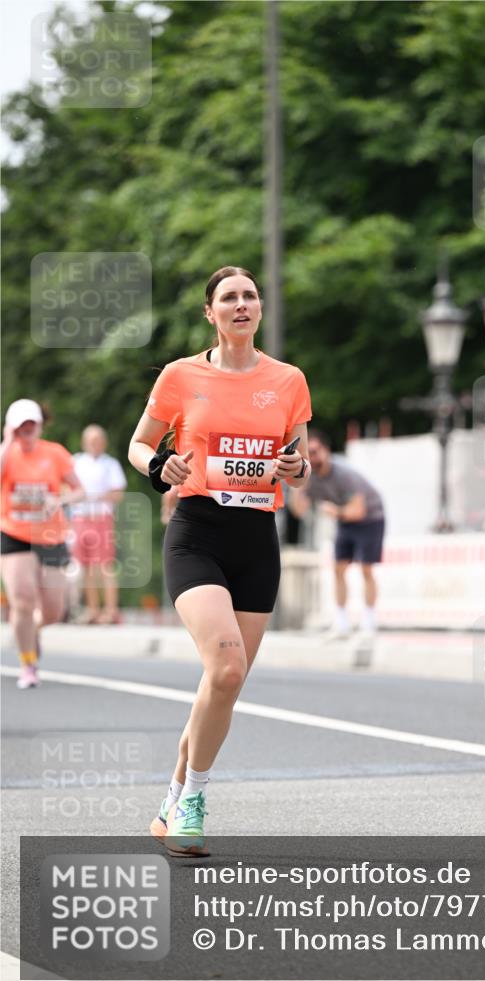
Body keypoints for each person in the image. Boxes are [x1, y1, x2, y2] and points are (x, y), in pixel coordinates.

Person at [128, 265, 312, 856]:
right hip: (198, 533)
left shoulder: (288, 381)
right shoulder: (182, 376)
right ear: (211, 312)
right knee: (227, 669)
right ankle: (196, 800)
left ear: (260, 310)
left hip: (257, 538)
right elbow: (139, 443)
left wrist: (296, 469)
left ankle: (171, 798)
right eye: (229, 297)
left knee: (221, 684)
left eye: (250, 296)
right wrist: (160, 467)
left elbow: (301, 462)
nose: (241, 304)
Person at [0, 399, 83, 688]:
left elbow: (79, 491)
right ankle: (28, 664)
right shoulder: (6, 455)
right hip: (14, 532)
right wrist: (6, 443)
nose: (27, 430)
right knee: (22, 599)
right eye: (20, 426)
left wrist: (58, 500)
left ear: (39, 425)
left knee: (52, 611)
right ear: (11, 427)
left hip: (51, 535)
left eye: (31, 424)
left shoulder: (55, 453)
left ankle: (32, 628)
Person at [290, 428, 385, 637]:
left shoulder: (344, 475)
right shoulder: (310, 478)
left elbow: (359, 510)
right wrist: (296, 484)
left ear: (326, 450)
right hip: (344, 519)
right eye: (309, 453)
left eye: (315, 452)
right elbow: (299, 511)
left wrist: (337, 511)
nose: (312, 458)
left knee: (366, 569)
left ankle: (369, 620)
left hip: (370, 518)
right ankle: (341, 620)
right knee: (338, 569)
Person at [70, 424, 127, 624]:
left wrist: (94, 496)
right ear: (85, 442)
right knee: (85, 566)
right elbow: (66, 489)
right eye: (91, 440)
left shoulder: (110, 464)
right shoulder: (75, 462)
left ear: (103, 443)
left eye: (98, 440)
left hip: (101, 519)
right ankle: (92, 610)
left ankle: (111, 611)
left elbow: (118, 493)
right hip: (80, 519)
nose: (94, 444)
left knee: (105, 566)